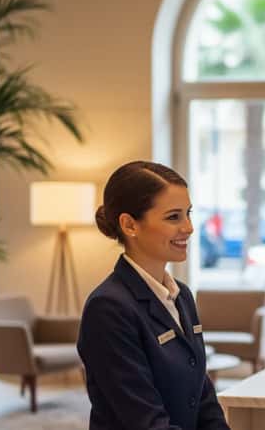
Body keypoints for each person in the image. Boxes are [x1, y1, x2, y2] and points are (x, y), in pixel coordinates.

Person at [77, 161, 230, 430]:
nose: (189, 227)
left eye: (188, 213)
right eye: (174, 217)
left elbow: (202, 395)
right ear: (129, 225)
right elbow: (144, 420)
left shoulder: (182, 296)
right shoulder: (108, 308)